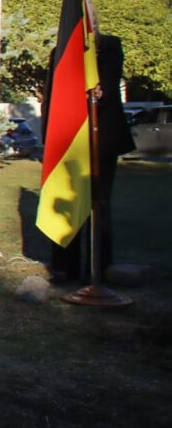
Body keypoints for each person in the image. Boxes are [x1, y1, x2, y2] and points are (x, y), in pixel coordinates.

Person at [45, 32, 135, 280]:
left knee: (99, 202)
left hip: (102, 138)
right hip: (68, 138)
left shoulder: (109, 46)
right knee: (65, 201)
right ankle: (65, 267)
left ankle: (99, 268)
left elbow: (107, 88)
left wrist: (94, 91)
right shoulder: (61, 51)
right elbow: (52, 94)